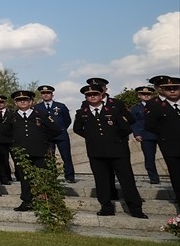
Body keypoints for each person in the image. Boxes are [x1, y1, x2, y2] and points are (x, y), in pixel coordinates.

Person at [73, 83, 146, 218]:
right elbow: (77, 129)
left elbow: (126, 128)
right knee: (102, 180)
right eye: (89, 95)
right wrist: (92, 137)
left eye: (95, 94)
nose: (92, 97)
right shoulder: (82, 113)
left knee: (126, 179)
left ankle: (135, 208)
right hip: (96, 152)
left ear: (101, 95)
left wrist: (114, 139)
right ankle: (106, 207)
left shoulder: (113, 110)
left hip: (117, 150)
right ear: (85, 97)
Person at [0, 90, 61, 211]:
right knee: (25, 178)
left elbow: (56, 129)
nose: (22, 102)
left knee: (44, 177)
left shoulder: (40, 114)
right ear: (15, 103)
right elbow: (3, 133)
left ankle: (47, 201)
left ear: (31, 101)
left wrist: (42, 139)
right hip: (22, 154)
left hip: (40, 152)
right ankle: (27, 201)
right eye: (19, 100)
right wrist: (14, 144)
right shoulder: (11, 116)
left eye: (25, 100)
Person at [144, 75, 180, 212]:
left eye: (175, 88)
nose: (172, 91)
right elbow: (150, 125)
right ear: (162, 90)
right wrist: (166, 135)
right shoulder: (154, 105)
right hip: (171, 147)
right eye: (167, 89)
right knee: (177, 178)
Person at [34, 85, 76, 182]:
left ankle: (69, 176)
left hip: (61, 135)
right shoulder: (37, 107)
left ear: (52, 94)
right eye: (43, 93)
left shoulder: (61, 106)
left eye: (48, 93)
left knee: (66, 156)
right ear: (41, 95)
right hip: (47, 136)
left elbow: (67, 120)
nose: (46, 95)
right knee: (49, 157)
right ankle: (52, 176)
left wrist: (60, 129)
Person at [130, 85, 161, 184]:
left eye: (148, 94)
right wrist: (137, 134)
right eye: (143, 94)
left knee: (170, 156)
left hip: (161, 134)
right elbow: (134, 122)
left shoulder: (159, 105)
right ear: (139, 95)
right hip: (146, 135)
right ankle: (154, 178)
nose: (146, 96)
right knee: (149, 157)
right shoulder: (135, 108)